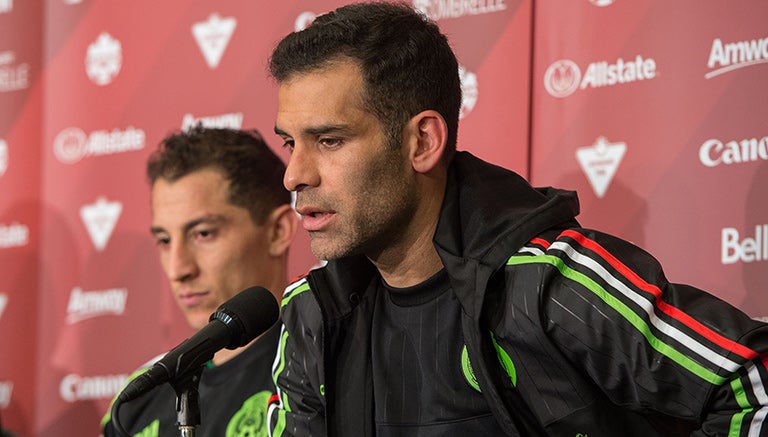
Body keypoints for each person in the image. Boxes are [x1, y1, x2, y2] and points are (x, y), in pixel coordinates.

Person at [265, 2, 768, 436]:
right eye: (291, 143)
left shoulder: (546, 283)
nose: (294, 175)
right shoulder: (313, 315)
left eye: (329, 140)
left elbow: (754, 385)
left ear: (422, 142)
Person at [101, 126, 297, 436]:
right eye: (165, 240)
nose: (178, 269)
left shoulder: (320, 369)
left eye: (203, 234)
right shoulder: (137, 399)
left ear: (278, 231)